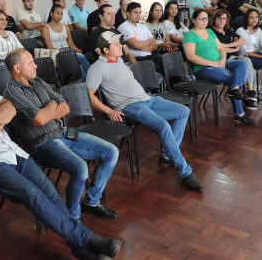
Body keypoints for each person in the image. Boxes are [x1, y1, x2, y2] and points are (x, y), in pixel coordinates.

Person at [0, 51, 122, 260]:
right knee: (32, 194)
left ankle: (84, 256)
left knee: (50, 194)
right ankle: (86, 238)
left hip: (12, 153)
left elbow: (9, 109)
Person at [3, 49, 119, 219]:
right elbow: (39, 120)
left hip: (63, 133)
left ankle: (91, 202)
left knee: (111, 152)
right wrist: (51, 104)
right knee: (80, 168)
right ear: (17, 68)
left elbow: (65, 105)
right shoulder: (12, 92)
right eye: (30, 63)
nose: (35, 65)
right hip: (42, 142)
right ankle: (73, 217)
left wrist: (48, 112)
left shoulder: (38, 82)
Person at [86, 32, 202, 191]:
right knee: (162, 126)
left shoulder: (119, 60)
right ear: (105, 50)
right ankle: (185, 172)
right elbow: (89, 95)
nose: (120, 45)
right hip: (130, 106)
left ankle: (167, 155)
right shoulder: (97, 67)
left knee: (182, 111)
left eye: (119, 43)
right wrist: (109, 110)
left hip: (147, 99)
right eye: (115, 44)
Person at [183, 10, 256, 126]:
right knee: (233, 78)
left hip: (219, 63)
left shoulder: (210, 32)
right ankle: (239, 114)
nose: (204, 21)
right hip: (203, 68)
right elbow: (191, 57)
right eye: (201, 18)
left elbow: (221, 48)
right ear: (193, 20)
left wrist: (223, 59)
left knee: (242, 63)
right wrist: (212, 63)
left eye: (206, 18)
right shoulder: (190, 35)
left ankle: (234, 89)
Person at [209, 9, 258, 110]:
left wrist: (227, 45)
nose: (222, 21)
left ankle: (249, 92)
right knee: (246, 62)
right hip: (223, 60)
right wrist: (234, 47)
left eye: (224, 19)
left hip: (234, 57)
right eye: (219, 18)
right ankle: (247, 92)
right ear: (214, 19)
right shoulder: (211, 32)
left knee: (246, 62)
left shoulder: (228, 30)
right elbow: (216, 48)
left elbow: (242, 40)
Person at [41, 4, 90, 78]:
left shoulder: (65, 26)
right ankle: (85, 83)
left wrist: (76, 49)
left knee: (82, 56)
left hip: (68, 51)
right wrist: (65, 52)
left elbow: (70, 43)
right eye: (57, 13)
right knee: (79, 67)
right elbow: (49, 48)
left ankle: (90, 79)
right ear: (51, 13)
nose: (60, 16)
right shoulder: (46, 28)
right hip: (56, 53)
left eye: (61, 14)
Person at [118, 1, 163, 73]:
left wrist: (142, 46)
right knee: (156, 70)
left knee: (167, 63)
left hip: (150, 57)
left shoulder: (143, 26)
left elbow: (154, 45)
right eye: (135, 12)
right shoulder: (124, 27)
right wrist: (148, 42)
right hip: (137, 59)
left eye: (140, 12)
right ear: (128, 14)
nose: (138, 15)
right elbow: (137, 45)